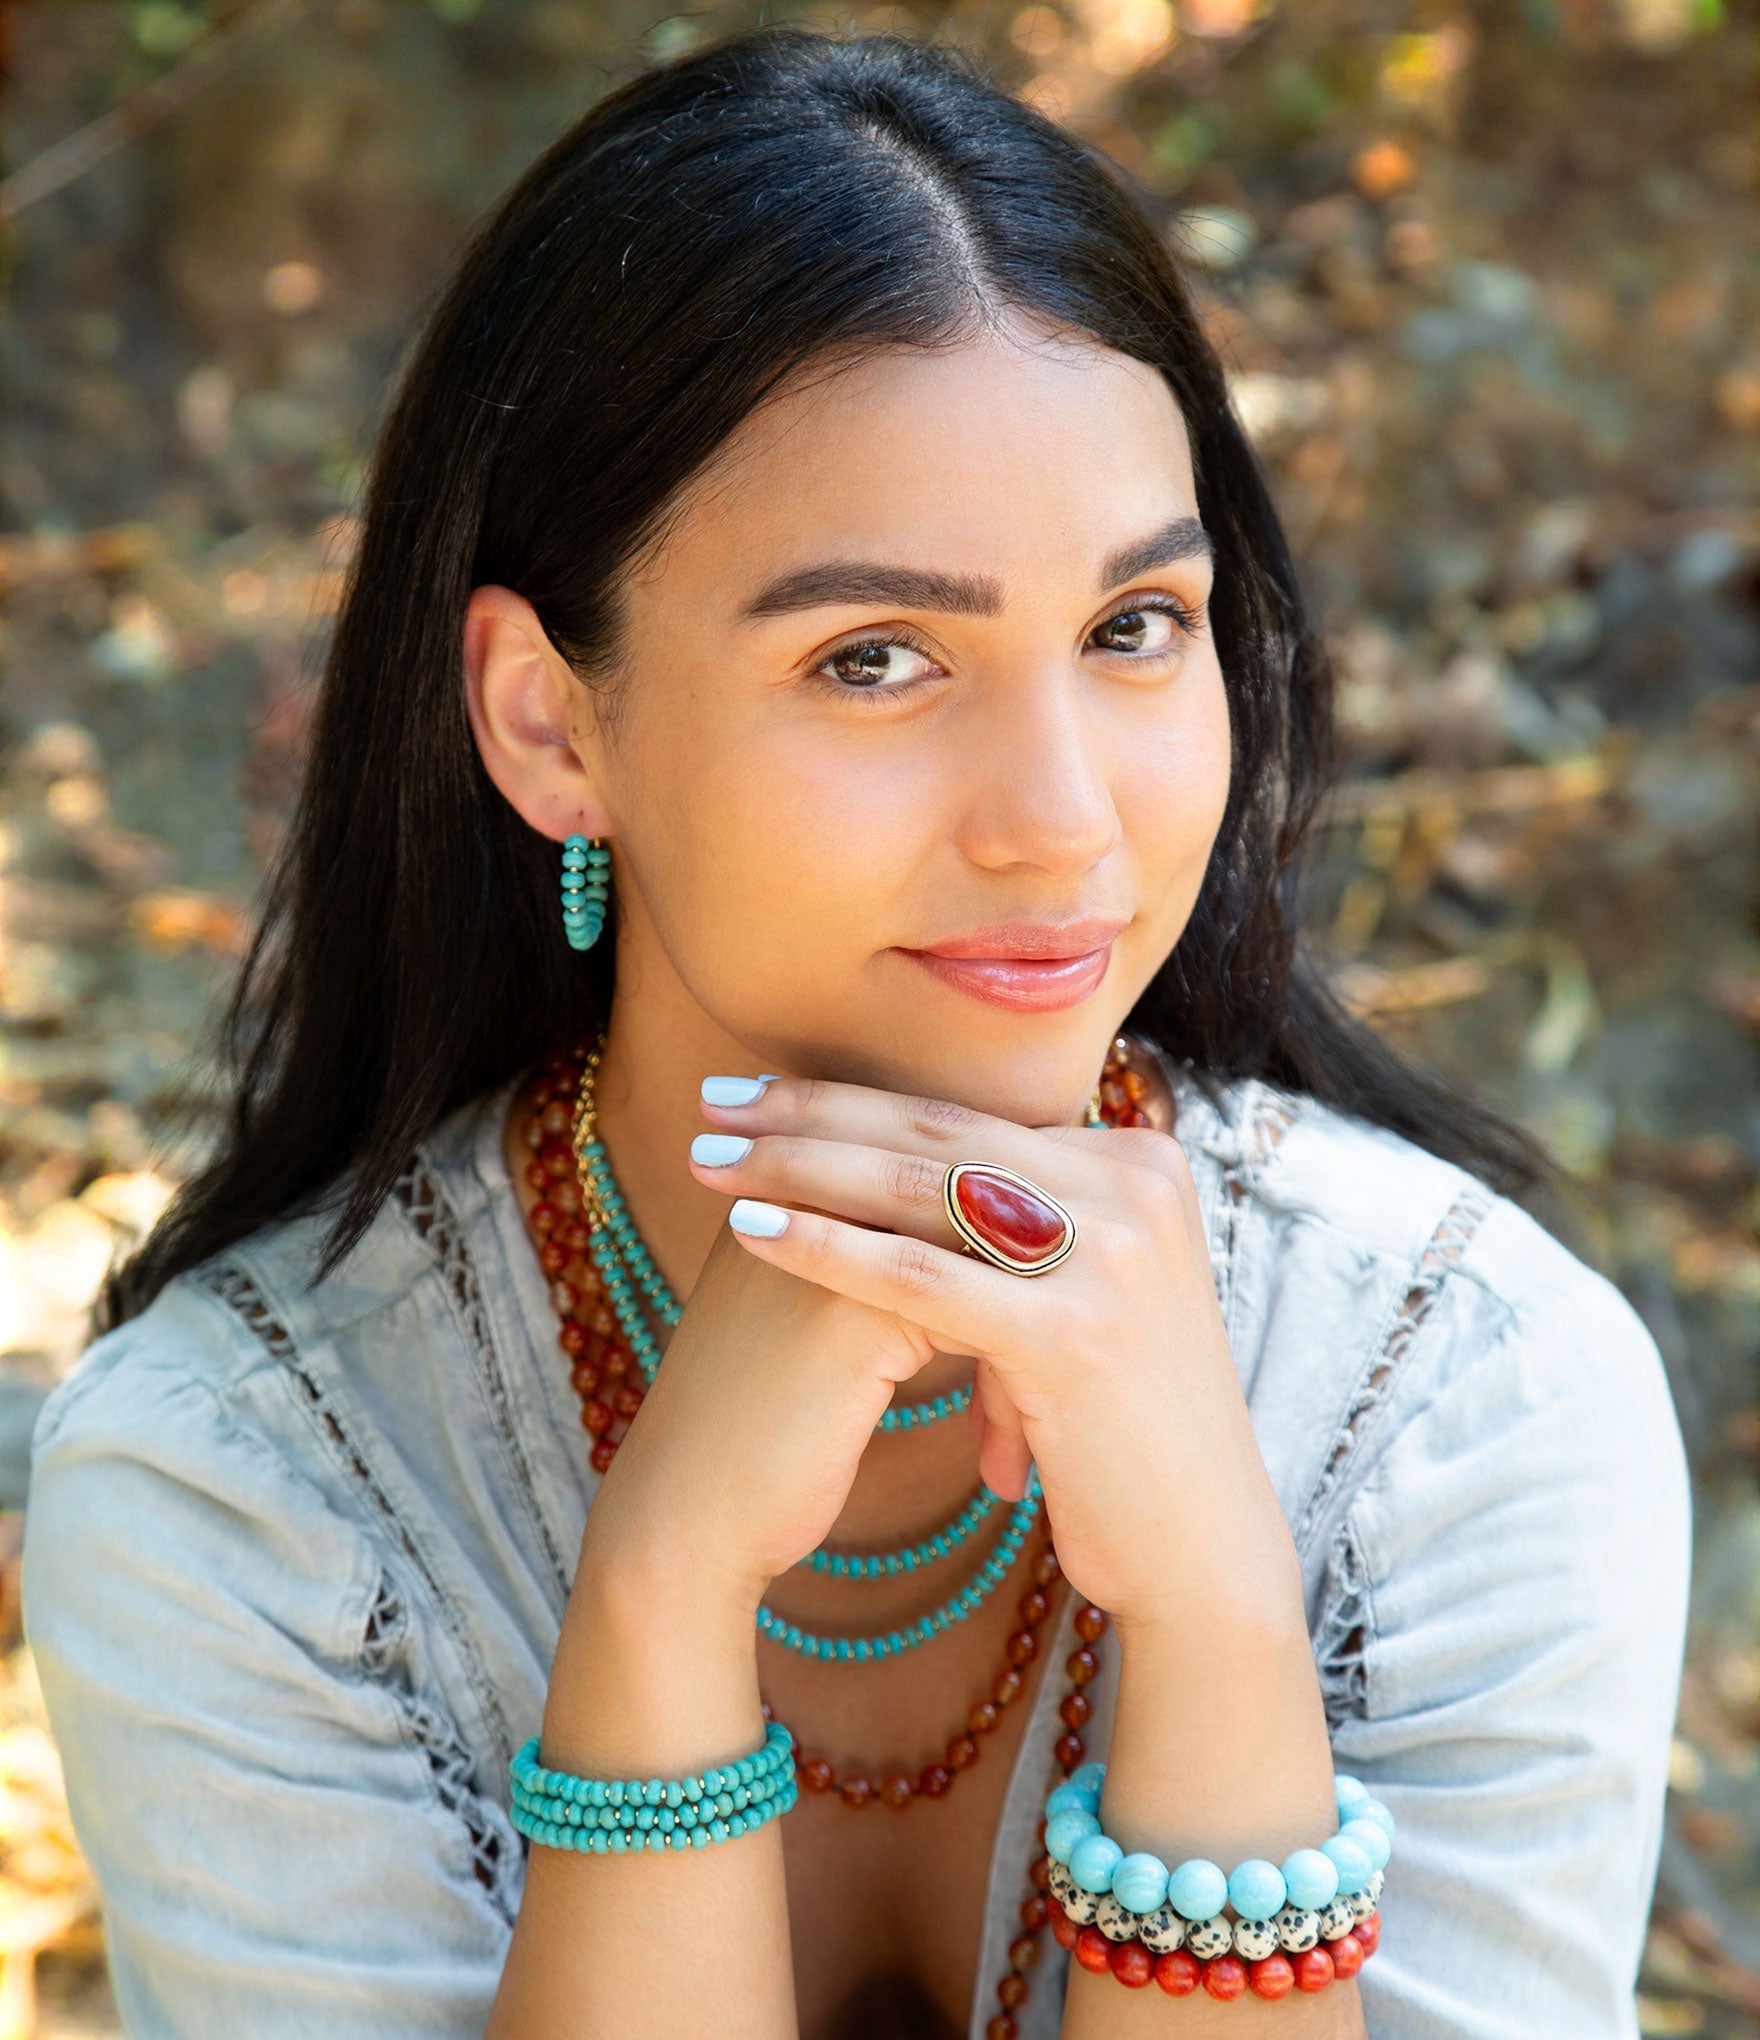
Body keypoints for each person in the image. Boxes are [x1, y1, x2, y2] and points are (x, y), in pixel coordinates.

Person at [20, 25, 1690, 2040]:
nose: (1062, 820)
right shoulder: (249, 1504)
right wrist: (650, 1612)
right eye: (875, 656)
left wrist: (1220, 1629)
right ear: (551, 724)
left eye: (1131, 629)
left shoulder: (1468, 1407)